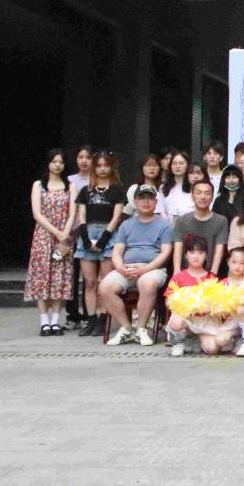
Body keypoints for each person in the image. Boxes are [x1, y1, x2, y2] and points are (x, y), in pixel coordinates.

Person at [100, 185, 172, 346]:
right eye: (142, 198)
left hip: (153, 269)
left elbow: (165, 253)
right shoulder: (126, 225)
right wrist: (120, 267)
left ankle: (141, 329)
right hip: (127, 267)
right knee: (105, 287)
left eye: (150, 198)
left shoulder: (165, 225)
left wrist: (146, 269)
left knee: (148, 284)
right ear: (135, 201)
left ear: (156, 202)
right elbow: (117, 252)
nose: (146, 202)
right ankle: (126, 328)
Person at [74, 152, 126, 337]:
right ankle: (91, 319)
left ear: (111, 167)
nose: (102, 169)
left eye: (106, 165)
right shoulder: (85, 191)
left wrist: (104, 239)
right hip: (87, 233)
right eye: (99, 165)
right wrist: (86, 239)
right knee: (89, 282)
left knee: (105, 282)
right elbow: (81, 216)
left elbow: (117, 216)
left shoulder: (117, 189)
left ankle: (104, 319)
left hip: (108, 234)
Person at [26, 149, 77, 336]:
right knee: (42, 276)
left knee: (59, 277)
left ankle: (55, 321)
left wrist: (64, 234)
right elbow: (37, 214)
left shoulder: (70, 186)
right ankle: (44, 322)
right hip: (43, 237)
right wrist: (56, 232)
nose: (57, 165)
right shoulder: (39, 185)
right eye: (54, 161)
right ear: (48, 163)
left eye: (61, 162)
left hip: (63, 238)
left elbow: (72, 213)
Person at [164, 235, 223, 357]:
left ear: (206, 255)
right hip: (185, 317)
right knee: (176, 322)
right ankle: (179, 342)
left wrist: (208, 307)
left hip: (205, 320)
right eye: (192, 252)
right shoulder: (178, 277)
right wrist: (183, 305)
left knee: (212, 349)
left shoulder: (211, 278)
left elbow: (219, 303)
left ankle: (198, 340)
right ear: (186, 255)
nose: (196, 256)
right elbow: (168, 301)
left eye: (200, 253)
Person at [171, 180, 229, 276]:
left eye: (207, 193)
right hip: (186, 273)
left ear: (212, 197)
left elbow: (220, 249)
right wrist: (177, 273)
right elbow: (178, 248)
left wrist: (213, 274)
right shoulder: (181, 221)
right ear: (192, 196)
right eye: (198, 193)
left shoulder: (221, 221)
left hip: (209, 273)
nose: (203, 197)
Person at [64, 144, 93, 329]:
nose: (84, 161)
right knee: (71, 276)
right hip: (71, 234)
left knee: (90, 277)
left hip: (91, 234)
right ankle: (72, 315)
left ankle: (88, 315)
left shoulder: (97, 180)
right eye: (81, 157)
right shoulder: (69, 181)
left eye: (88, 158)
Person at [160, 150, 192, 223]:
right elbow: (161, 211)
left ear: (188, 165)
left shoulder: (193, 186)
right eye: (174, 163)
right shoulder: (163, 188)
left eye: (181, 163)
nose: (177, 166)